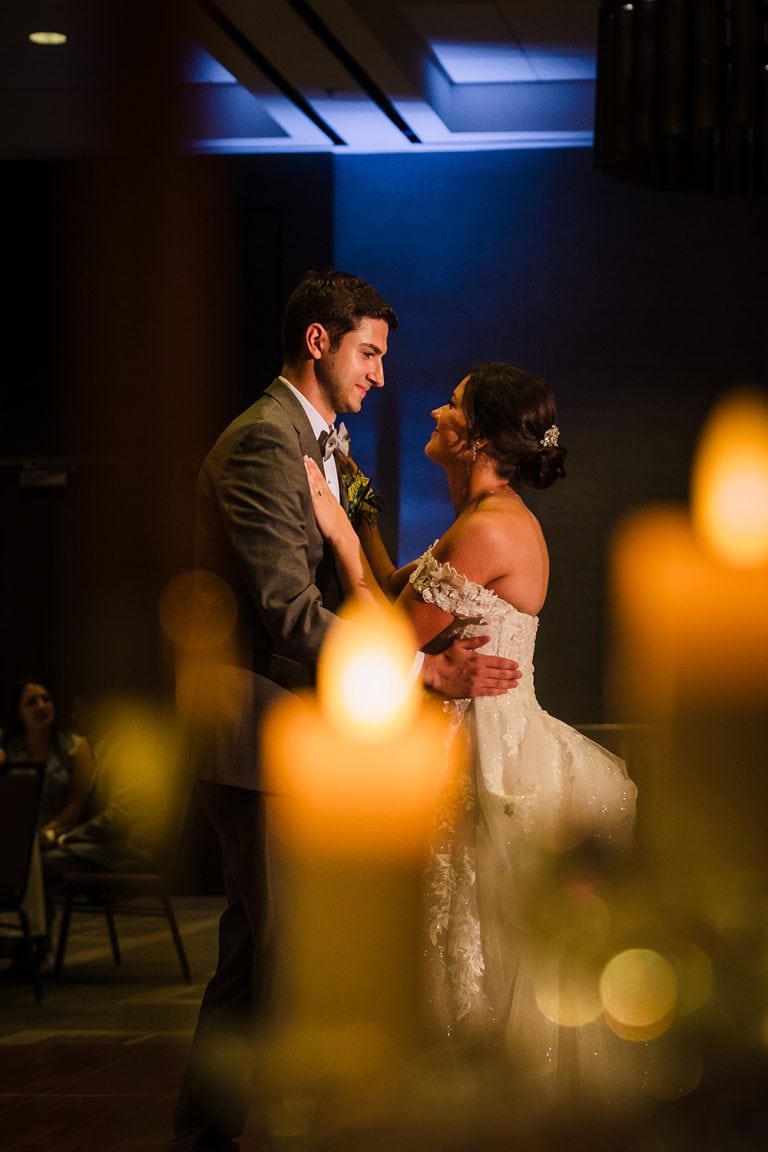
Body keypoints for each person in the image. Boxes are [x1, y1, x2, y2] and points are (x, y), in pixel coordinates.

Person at [167, 271, 522, 1152]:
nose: (381, 377)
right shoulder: (263, 443)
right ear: (319, 343)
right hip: (260, 739)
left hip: (294, 736)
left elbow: (364, 577)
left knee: (261, 965)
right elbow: (289, 613)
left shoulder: (327, 446)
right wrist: (419, 673)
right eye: (370, 354)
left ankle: (204, 1140)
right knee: (296, 967)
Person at [304, 361, 638, 1098]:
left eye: (450, 407)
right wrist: (359, 512)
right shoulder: (481, 522)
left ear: (479, 439)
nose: (432, 414)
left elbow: (385, 636)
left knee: (468, 940)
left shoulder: (489, 530)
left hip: (485, 751)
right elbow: (400, 591)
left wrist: (336, 534)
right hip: (477, 733)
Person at [0, 678, 93, 844]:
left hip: (55, 834)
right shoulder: (8, 746)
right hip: (15, 834)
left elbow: (77, 803)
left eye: (46, 699)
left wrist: (46, 832)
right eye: (32, 702)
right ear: (19, 712)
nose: (41, 706)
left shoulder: (74, 747)